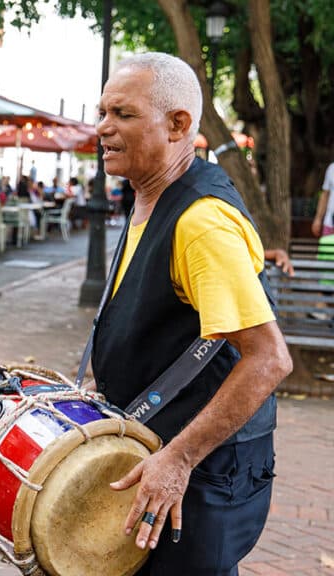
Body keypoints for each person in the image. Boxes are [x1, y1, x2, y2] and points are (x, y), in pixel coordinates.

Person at [91, 52, 292, 575]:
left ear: (178, 124)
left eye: (123, 114)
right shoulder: (149, 196)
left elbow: (269, 359)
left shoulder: (201, 222)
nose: (103, 128)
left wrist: (179, 459)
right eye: (102, 113)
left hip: (204, 469)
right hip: (163, 452)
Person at [313, 160, 334, 240]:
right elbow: (325, 195)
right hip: (330, 223)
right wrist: (318, 218)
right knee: (327, 251)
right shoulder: (331, 168)